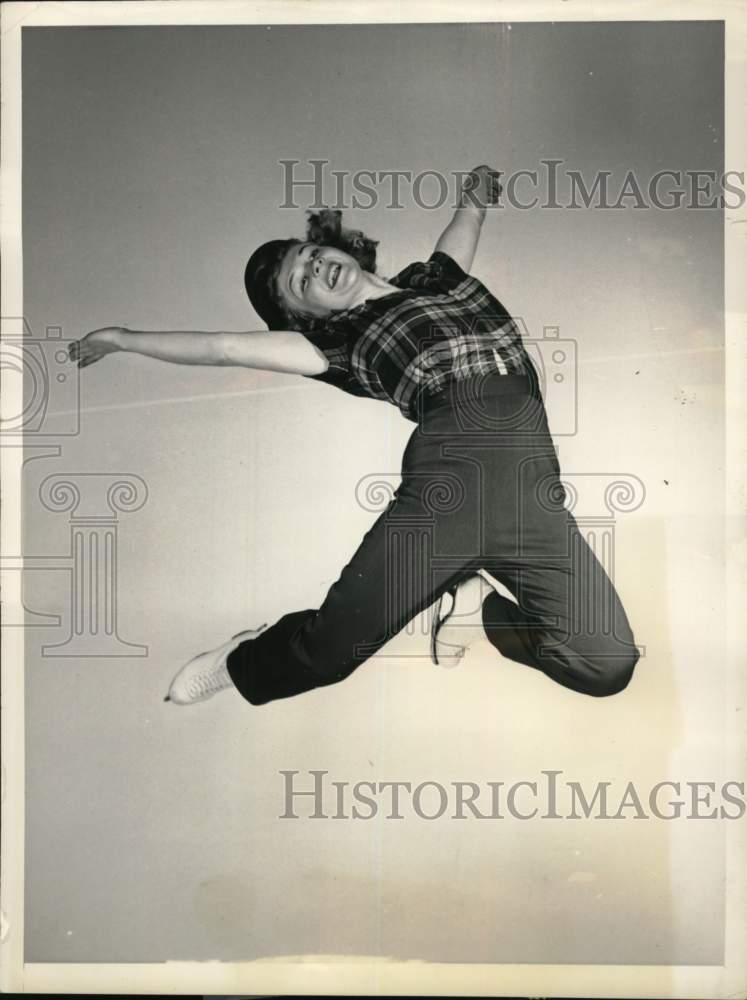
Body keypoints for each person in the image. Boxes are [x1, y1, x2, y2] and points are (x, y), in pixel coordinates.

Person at [69, 165, 640, 708]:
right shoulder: (335, 343)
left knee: (604, 661)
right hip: (452, 481)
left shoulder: (435, 280)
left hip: (530, 481)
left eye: (310, 254)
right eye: (301, 282)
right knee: (331, 652)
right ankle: (242, 662)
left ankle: (474, 610)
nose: (316, 268)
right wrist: (122, 338)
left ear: (335, 245)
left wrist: (474, 198)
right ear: (303, 316)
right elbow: (222, 348)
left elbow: (460, 233)